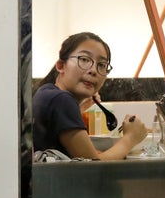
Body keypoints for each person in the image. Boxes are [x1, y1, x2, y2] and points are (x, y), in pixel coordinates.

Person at [33, 31, 147, 160]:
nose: (93, 70)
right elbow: (92, 168)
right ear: (61, 66)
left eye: (102, 65)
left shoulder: (46, 92)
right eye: (84, 60)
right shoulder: (61, 100)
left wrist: (78, 109)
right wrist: (130, 138)